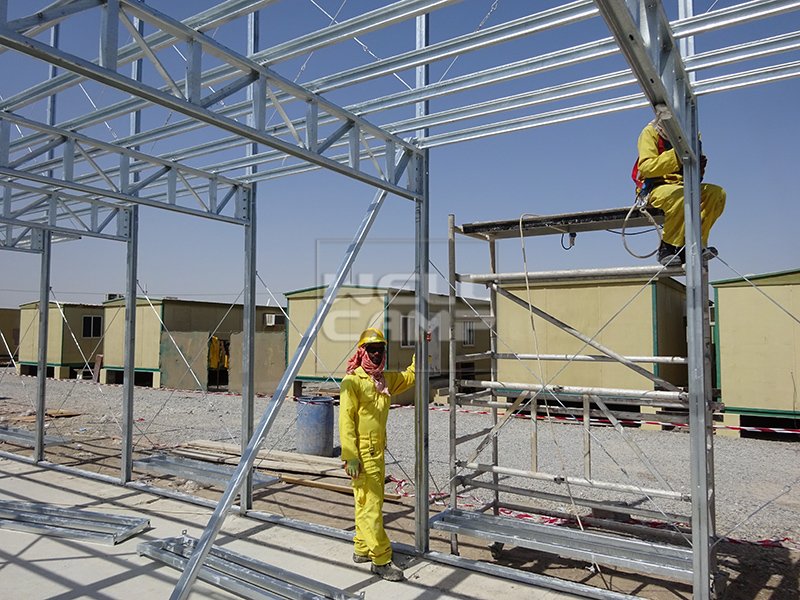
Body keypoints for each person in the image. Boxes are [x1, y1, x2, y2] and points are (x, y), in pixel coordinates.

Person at [339, 328, 415, 581]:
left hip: (377, 451)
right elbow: (346, 421)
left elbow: (410, 376)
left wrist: (424, 349)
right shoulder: (352, 382)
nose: (376, 354)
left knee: (366, 503)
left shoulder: (384, 379)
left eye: (380, 350)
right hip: (362, 455)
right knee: (371, 506)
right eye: (371, 350)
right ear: (362, 352)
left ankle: (362, 547)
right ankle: (381, 559)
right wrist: (350, 456)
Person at [635, 119, 726, 266]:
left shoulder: (692, 134)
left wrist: (699, 166)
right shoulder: (651, 132)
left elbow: (696, 166)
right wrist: (677, 156)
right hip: (657, 186)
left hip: (684, 185)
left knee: (716, 194)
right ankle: (667, 247)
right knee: (681, 197)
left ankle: (695, 244)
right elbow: (646, 168)